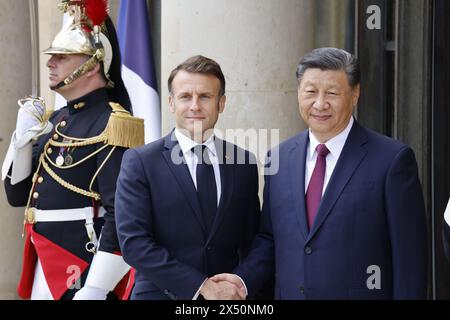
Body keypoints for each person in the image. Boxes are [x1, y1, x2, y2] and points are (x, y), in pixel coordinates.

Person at [211, 47, 428, 299]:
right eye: (311, 92)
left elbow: (410, 260)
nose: (320, 103)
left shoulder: (392, 160)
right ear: (298, 94)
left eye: (333, 93)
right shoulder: (279, 158)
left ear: (355, 94)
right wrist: (241, 280)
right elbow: (270, 239)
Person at [1, 0, 144, 300]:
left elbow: (123, 214)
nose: (50, 63)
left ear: (93, 63)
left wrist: (97, 285)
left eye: (62, 56)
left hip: (84, 266)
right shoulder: (57, 120)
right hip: (45, 259)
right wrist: (22, 142)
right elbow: (16, 196)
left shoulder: (114, 123)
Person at [115, 55, 262, 300]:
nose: (195, 106)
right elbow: (134, 244)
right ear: (171, 103)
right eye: (185, 97)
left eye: (205, 96)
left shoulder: (242, 163)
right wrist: (202, 286)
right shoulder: (140, 162)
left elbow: (252, 240)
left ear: (221, 103)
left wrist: (240, 283)